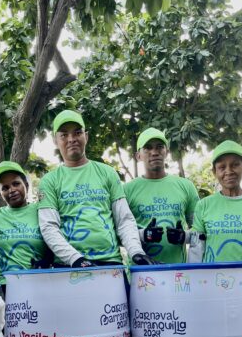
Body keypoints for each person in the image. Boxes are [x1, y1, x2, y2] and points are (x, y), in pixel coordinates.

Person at [38, 110, 155, 267]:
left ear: (86, 136)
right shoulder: (49, 181)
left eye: (77, 133)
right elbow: (49, 227)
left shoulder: (108, 173)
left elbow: (124, 220)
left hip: (111, 264)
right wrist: (75, 259)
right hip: (68, 267)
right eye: (64, 135)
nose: (71, 139)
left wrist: (136, 252)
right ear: (55, 140)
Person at [124, 128, 199, 264]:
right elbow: (119, 233)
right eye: (147, 148)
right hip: (140, 275)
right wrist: (143, 235)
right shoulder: (126, 190)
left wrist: (184, 236)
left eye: (159, 147)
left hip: (177, 273)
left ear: (167, 152)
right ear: (138, 156)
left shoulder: (186, 186)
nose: (154, 152)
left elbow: (200, 230)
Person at [0, 160, 52, 285]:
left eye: (16, 184)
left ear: (26, 185)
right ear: (0, 193)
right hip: (3, 286)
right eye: (5, 188)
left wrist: (48, 258)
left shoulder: (41, 210)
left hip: (38, 283)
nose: (11, 190)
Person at [189, 140, 242, 262]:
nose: (229, 171)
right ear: (214, 172)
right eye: (222, 167)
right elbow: (196, 248)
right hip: (210, 278)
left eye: (235, 165)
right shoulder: (204, 205)